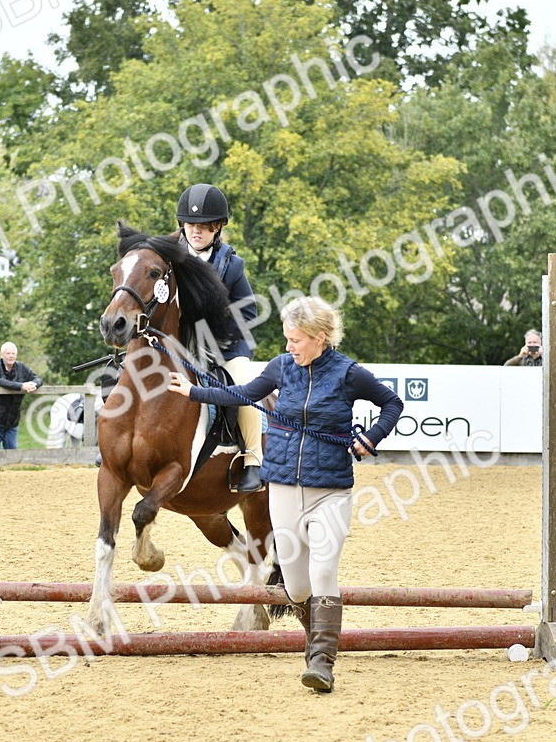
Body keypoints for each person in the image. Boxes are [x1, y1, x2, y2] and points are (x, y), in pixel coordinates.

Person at [168, 297, 403, 693]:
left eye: (296, 339)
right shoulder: (280, 367)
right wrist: (194, 393)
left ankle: (321, 662)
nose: (289, 346)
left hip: (330, 490)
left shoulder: (348, 373)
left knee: (324, 571)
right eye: (287, 339)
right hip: (282, 489)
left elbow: (391, 403)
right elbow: (242, 394)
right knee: (294, 587)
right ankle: (316, 643)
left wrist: (371, 437)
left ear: (320, 338)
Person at [175, 183, 264, 493]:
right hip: (177, 344)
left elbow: (248, 313)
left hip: (224, 348)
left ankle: (253, 461)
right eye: (190, 224)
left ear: (216, 228)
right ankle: (113, 444)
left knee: (243, 390)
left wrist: (213, 337)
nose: (195, 231)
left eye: (203, 226)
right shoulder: (167, 257)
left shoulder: (232, 265)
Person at [0, 342, 41, 449]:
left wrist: (34, 385)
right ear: (1, 354)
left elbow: (37, 378)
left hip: (13, 420)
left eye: (13, 353)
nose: (11, 356)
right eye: (8, 353)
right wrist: (21, 386)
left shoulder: (21, 367)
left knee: (12, 452)